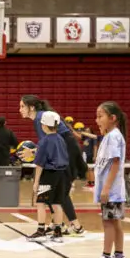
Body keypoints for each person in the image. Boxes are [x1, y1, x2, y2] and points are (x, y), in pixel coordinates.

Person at [19, 95, 86, 236]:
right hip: (65, 149)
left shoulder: (40, 119)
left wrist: (32, 153)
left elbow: (48, 144)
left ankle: (75, 226)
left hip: (67, 151)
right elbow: (47, 144)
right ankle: (58, 224)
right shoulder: (41, 118)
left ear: (31, 107)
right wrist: (33, 151)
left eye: (22, 106)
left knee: (57, 190)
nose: (19, 109)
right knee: (54, 190)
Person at [87, 102, 128, 258]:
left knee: (108, 223)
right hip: (114, 190)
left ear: (113, 118)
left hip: (112, 190)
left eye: (100, 116)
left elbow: (115, 163)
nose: (97, 120)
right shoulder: (110, 136)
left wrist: (106, 188)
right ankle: (119, 257)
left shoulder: (113, 136)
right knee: (115, 222)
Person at [30, 111, 68, 243]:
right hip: (61, 174)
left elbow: (40, 163)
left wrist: (36, 181)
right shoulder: (61, 139)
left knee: (40, 202)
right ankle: (58, 232)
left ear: (44, 126)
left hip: (49, 174)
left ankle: (41, 230)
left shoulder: (44, 141)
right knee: (57, 203)